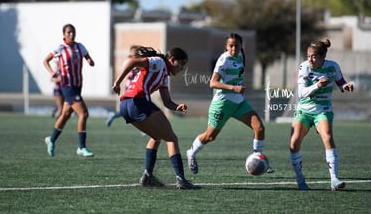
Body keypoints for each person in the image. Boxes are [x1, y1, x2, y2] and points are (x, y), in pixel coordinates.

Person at [111, 46, 199, 189]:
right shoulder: (159, 62)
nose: (182, 68)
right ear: (172, 60)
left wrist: (176, 106)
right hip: (137, 102)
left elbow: (167, 102)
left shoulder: (164, 75)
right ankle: (181, 179)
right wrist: (117, 81)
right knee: (172, 138)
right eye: (181, 64)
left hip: (125, 106)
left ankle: (147, 176)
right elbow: (132, 61)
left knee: (157, 137)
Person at [186, 33, 273, 175]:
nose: (233, 48)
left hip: (238, 102)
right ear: (226, 47)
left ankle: (258, 159)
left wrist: (237, 88)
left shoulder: (241, 55)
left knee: (259, 128)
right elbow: (212, 83)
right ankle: (191, 153)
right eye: (230, 46)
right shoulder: (223, 60)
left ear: (241, 46)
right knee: (210, 137)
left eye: (236, 46)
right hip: (222, 103)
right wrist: (233, 87)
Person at [289, 39, 354, 191]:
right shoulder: (304, 67)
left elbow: (341, 83)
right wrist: (317, 85)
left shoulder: (333, 67)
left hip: (323, 109)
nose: (310, 59)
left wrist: (346, 86)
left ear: (323, 56)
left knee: (328, 137)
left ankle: (334, 180)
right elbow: (301, 93)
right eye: (308, 56)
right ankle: (300, 180)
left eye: (314, 56)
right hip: (304, 111)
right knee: (294, 142)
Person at [43, 23, 95, 157]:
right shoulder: (60, 48)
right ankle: (81, 147)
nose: (71, 34)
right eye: (68, 32)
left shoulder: (80, 46)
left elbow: (87, 56)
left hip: (77, 86)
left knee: (65, 114)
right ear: (64, 35)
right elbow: (46, 61)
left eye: (73, 32)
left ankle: (52, 139)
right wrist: (51, 73)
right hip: (67, 86)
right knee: (84, 114)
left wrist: (90, 61)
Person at [105, 45, 142, 127]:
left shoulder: (138, 61)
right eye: (136, 53)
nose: (138, 54)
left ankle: (114, 115)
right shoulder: (129, 61)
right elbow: (123, 72)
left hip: (136, 88)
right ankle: (146, 129)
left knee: (134, 109)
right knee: (137, 109)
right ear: (132, 53)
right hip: (131, 88)